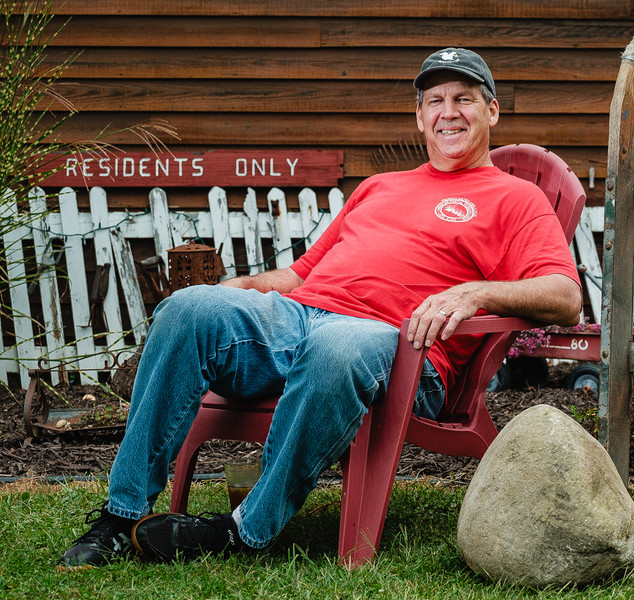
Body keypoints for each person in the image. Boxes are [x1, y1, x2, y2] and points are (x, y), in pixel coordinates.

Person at [57, 47, 583, 570]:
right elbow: (302, 274)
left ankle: (243, 531)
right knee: (187, 308)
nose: (449, 112)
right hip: (300, 318)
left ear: (491, 111)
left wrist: (475, 292)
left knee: (338, 344)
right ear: (419, 116)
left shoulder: (516, 198)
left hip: (397, 347)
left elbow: (564, 295)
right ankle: (120, 516)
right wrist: (249, 285)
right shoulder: (378, 187)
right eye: (436, 100)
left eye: (464, 99)